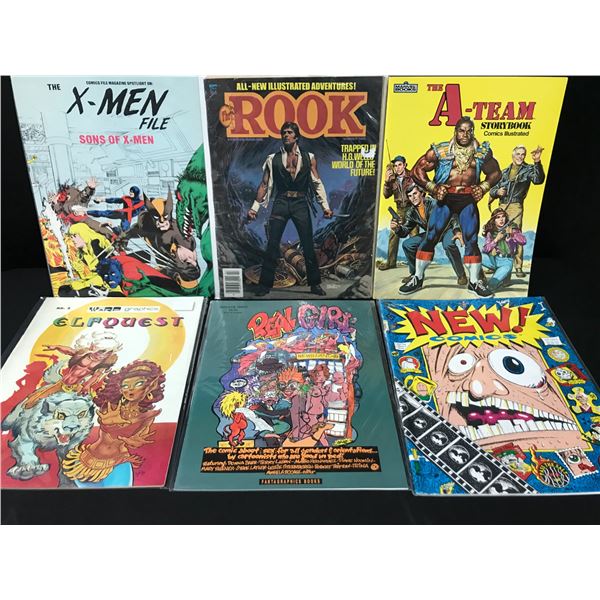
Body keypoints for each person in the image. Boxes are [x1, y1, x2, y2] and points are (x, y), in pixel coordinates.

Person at [407, 117, 502, 296]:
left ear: (473, 132)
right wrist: (433, 187)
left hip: (467, 200)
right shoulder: (440, 151)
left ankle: (474, 282)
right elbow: (416, 171)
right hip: (445, 199)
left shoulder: (482, 153)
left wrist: (483, 187)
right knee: (431, 236)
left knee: (471, 239)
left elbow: (496, 172)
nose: (465, 134)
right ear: (455, 131)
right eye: (461, 130)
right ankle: (417, 277)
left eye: (469, 131)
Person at [247, 121, 333, 296]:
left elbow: (317, 183)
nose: (285, 135)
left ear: (296, 136)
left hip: (300, 203)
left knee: (308, 244)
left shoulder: (309, 158)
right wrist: (254, 208)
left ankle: (315, 284)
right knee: (272, 244)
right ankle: (264, 285)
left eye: (289, 132)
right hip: (281, 202)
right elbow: (264, 185)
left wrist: (325, 206)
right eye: (283, 133)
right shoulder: (272, 159)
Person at [62, 360, 166, 487]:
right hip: (86, 460)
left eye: (138, 383)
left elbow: (139, 439)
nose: (130, 389)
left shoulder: (146, 416)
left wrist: (132, 440)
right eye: (125, 386)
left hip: (117, 464)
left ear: (151, 385)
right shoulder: (110, 405)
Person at [391, 183, 467, 288]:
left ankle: (461, 275)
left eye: (415, 194)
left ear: (422, 193)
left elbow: (453, 215)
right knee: (407, 244)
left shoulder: (435, 203)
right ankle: (415, 274)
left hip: (447, 230)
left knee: (448, 245)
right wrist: (397, 228)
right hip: (431, 234)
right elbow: (404, 231)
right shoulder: (411, 212)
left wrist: (457, 230)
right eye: (410, 196)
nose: (413, 198)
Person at [489, 145, 545, 277]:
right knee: (496, 233)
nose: (520, 157)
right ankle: (495, 264)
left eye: (523, 154)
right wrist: (497, 192)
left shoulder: (529, 169)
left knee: (515, 234)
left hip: (516, 205)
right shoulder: (504, 172)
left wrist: (537, 161)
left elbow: (538, 180)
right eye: (518, 154)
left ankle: (518, 266)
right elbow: (492, 189)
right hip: (502, 205)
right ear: (513, 155)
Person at [379, 155, 416, 271]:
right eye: (395, 166)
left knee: (414, 236)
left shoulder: (412, 176)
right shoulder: (392, 179)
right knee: (393, 235)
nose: (397, 168)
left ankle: (415, 266)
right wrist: (386, 182)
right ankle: (390, 263)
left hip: (412, 209)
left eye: (400, 165)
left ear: (405, 165)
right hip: (399, 210)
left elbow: (421, 191)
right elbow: (386, 195)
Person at [481, 208, 527, 291]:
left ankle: (501, 277)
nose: (501, 219)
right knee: (473, 258)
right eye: (498, 217)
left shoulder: (512, 228)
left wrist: (512, 234)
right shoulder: (491, 232)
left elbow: (523, 241)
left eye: (503, 216)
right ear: (494, 220)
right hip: (493, 259)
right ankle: (480, 276)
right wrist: (496, 240)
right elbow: (485, 249)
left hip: (506, 261)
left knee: (491, 285)